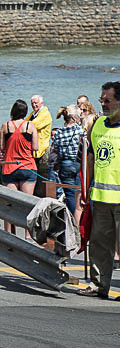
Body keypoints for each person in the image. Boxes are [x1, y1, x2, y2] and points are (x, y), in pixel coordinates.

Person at [77, 82, 120, 299]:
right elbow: (91, 158)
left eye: (107, 100)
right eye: (101, 100)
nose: (103, 104)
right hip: (101, 198)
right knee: (99, 245)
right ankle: (98, 285)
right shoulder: (98, 125)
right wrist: (85, 192)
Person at [0, 100, 39, 238]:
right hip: (27, 167)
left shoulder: (6, 126)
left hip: (9, 167)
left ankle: (9, 235)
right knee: (27, 204)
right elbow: (35, 147)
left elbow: (2, 147)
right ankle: (28, 235)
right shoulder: (30, 125)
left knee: (10, 204)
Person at [50, 104, 85, 215]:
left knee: (70, 194)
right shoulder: (80, 131)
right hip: (79, 163)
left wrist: (53, 169)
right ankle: (80, 218)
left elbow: (54, 153)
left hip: (65, 165)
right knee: (80, 192)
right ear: (74, 118)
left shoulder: (59, 132)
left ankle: (72, 217)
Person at [27, 94, 53, 197]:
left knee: (39, 175)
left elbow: (32, 125)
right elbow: (25, 122)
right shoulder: (33, 113)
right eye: (32, 103)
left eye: (36, 103)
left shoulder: (45, 114)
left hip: (41, 148)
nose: (34, 105)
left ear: (41, 103)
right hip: (33, 147)